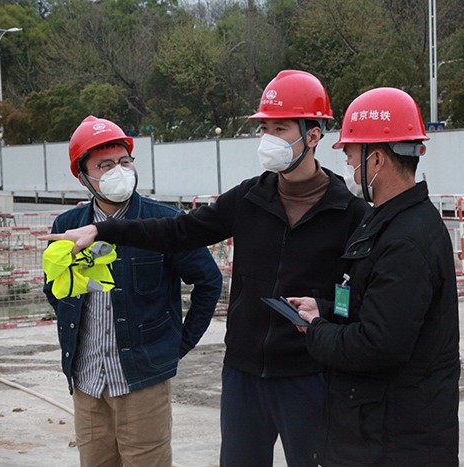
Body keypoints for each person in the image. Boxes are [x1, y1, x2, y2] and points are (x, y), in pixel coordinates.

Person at [40, 71, 370, 467]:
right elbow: (178, 231)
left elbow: (359, 296)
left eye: (280, 129)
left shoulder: (350, 213)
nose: (268, 139)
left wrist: (325, 308)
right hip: (244, 374)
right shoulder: (249, 198)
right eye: (264, 129)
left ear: (313, 135)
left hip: (310, 373)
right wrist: (103, 229)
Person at [290, 87, 460, 466]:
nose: (348, 168)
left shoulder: (407, 240)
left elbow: (379, 344)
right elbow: (375, 303)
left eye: (351, 157)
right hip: (375, 430)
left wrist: (317, 331)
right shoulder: (387, 220)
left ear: (377, 159)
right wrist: (325, 309)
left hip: (394, 442)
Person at [42, 116, 223, 467]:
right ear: (83, 177)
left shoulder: (164, 223)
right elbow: (55, 287)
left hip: (141, 380)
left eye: (124, 162)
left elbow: (209, 281)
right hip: (87, 379)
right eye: (105, 165)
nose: (118, 171)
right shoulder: (67, 226)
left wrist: (178, 344)